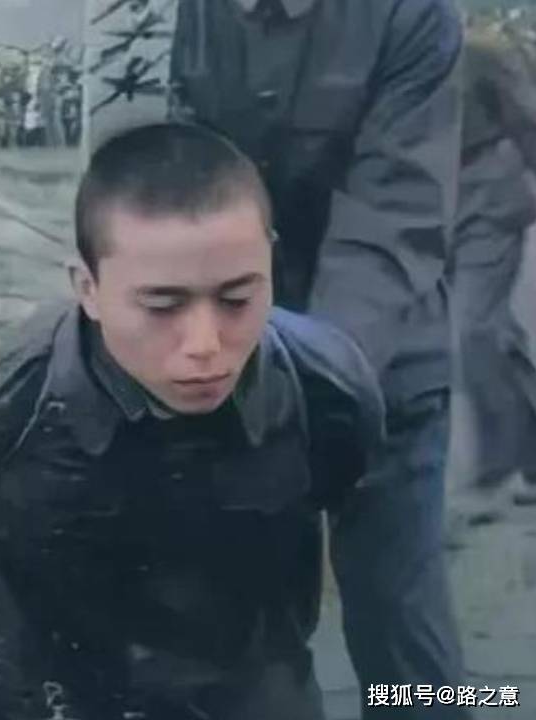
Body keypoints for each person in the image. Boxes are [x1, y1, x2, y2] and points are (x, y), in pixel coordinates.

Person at [0, 123, 385, 720]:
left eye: (237, 299)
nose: (204, 343)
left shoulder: (327, 387)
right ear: (86, 288)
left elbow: (340, 508)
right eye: (163, 306)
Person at [165, 1, 466, 714]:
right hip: (232, 360)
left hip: (384, 363)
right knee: (243, 618)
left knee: (396, 616)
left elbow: (392, 215)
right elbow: (183, 170)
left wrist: (310, 369)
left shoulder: (413, 13)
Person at [451, 18, 536, 510]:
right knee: (495, 334)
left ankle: (493, 473)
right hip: (425, 208)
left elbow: (531, 123)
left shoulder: (479, 52)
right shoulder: (375, 55)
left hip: (488, 197)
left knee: (474, 331)